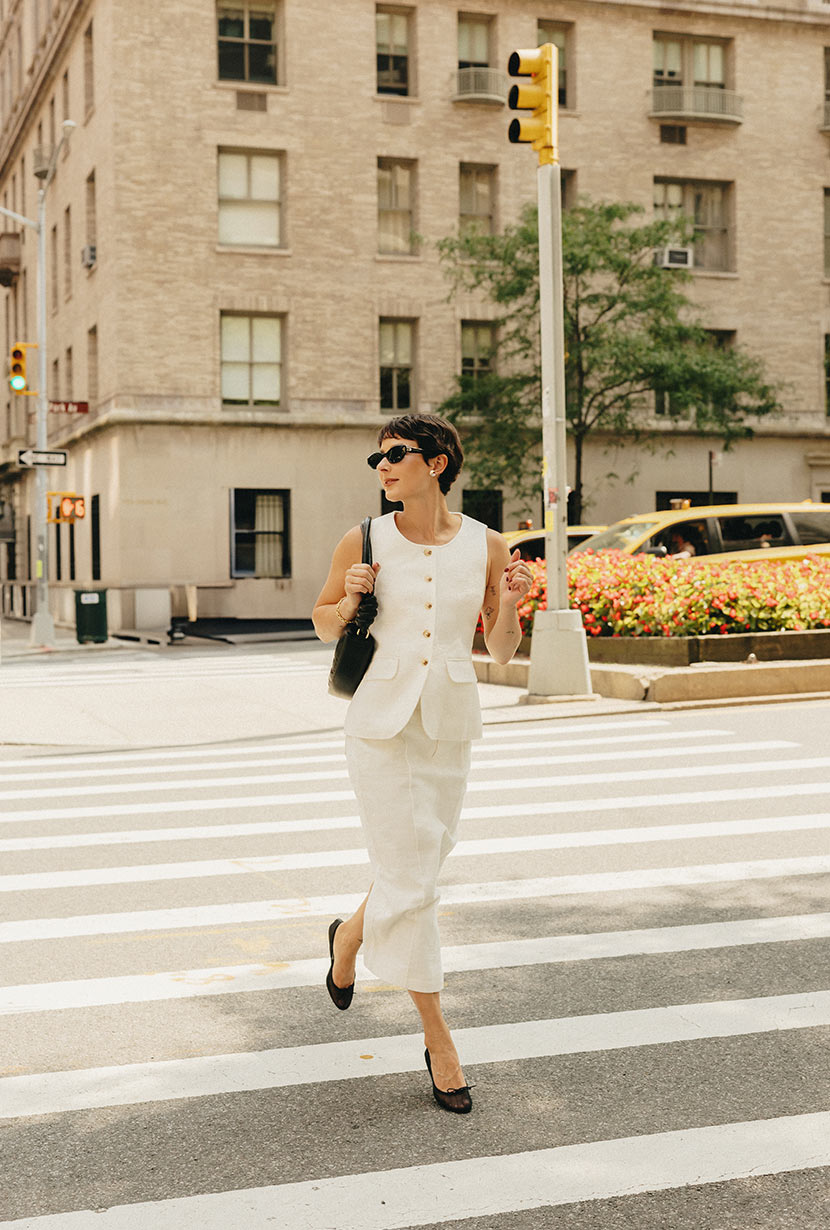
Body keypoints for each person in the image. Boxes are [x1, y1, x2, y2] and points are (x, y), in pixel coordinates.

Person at [312, 413, 533, 1115]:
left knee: (418, 868)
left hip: (448, 723)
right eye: (377, 457)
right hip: (379, 725)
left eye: (397, 454)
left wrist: (514, 603)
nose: (383, 466)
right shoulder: (365, 536)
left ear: (437, 463)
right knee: (415, 882)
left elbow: (499, 650)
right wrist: (348, 597)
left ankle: (349, 937)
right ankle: (440, 1039)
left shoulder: (487, 544)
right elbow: (322, 622)